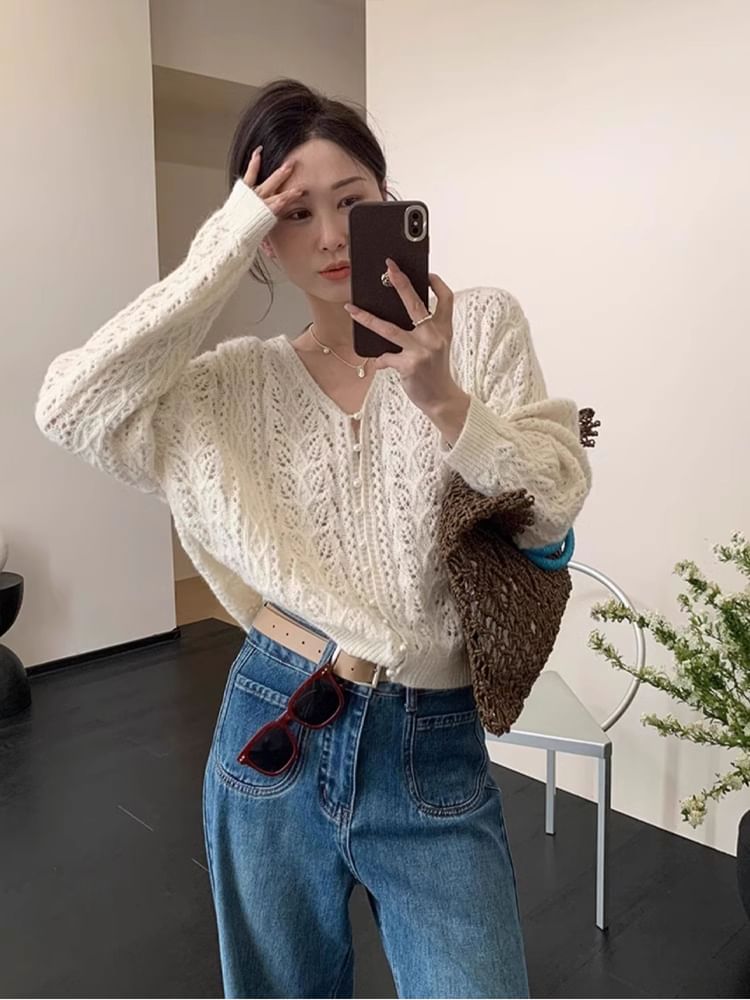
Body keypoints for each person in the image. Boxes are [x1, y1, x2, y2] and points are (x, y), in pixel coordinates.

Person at [35, 77, 593, 998]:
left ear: (390, 201)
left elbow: (555, 499)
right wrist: (221, 244)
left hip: (431, 744)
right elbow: (70, 407)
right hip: (276, 724)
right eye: (293, 215)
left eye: (352, 202)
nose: (330, 237)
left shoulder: (482, 326)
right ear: (262, 240)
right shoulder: (229, 387)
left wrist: (446, 401)